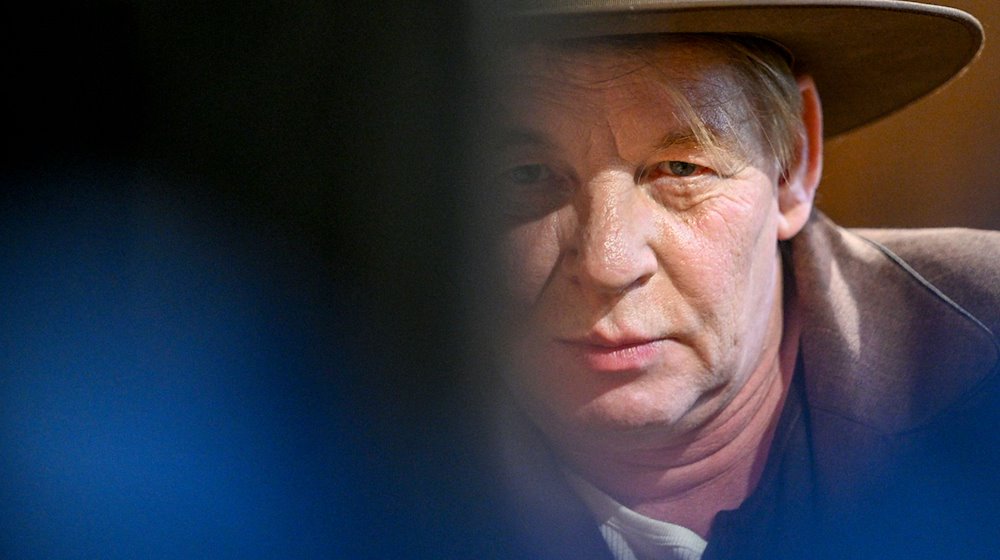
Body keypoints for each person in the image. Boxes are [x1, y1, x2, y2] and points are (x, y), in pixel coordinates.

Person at [474, 1, 1000, 559]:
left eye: (681, 169)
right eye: (526, 175)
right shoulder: (382, 439)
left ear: (792, 165)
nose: (608, 262)